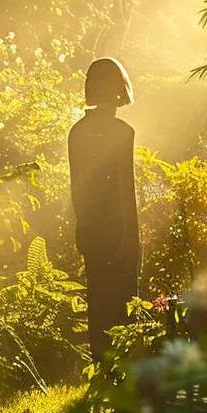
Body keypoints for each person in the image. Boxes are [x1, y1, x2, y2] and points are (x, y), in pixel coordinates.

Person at [69, 57, 140, 366]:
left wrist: (83, 226)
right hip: (118, 228)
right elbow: (127, 188)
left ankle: (102, 367)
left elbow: (77, 188)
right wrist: (132, 235)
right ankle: (127, 367)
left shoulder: (77, 131)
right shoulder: (122, 131)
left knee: (98, 300)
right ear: (118, 90)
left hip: (91, 228)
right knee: (123, 301)